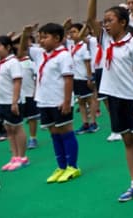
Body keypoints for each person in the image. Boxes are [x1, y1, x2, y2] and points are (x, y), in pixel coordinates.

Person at [87, 0, 133, 202]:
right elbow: (89, 20)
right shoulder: (105, 40)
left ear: (123, 22)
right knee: (127, 141)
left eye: (110, 21)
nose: (105, 25)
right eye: (104, 21)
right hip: (114, 99)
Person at [30, 23, 81, 183]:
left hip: (59, 101)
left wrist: (66, 102)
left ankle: (72, 166)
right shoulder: (41, 54)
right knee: (54, 134)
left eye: (45, 37)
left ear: (57, 38)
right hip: (44, 101)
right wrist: (26, 33)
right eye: (40, 37)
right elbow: (22, 49)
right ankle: (61, 166)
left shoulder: (64, 55)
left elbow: (68, 79)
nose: (41, 41)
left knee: (65, 131)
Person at [0, 35, 27, 171]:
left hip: (12, 101)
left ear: (8, 47)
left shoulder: (13, 62)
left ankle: (22, 157)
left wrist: (14, 102)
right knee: (9, 129)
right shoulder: (2, 63)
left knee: (17, 128)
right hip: (2, 101)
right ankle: (14, 157)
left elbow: (17, 81)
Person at [68, 23, 99, 134]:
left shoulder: (85, 46)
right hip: (75, 78)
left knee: (90, 100)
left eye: (74, 31)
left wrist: (90, 78)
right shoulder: (71, 46)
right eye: (70, 32)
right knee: (81, 102)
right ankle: (85, 123)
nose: (72, 34)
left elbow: (87, 63)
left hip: (84, 77)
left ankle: (93, 123)